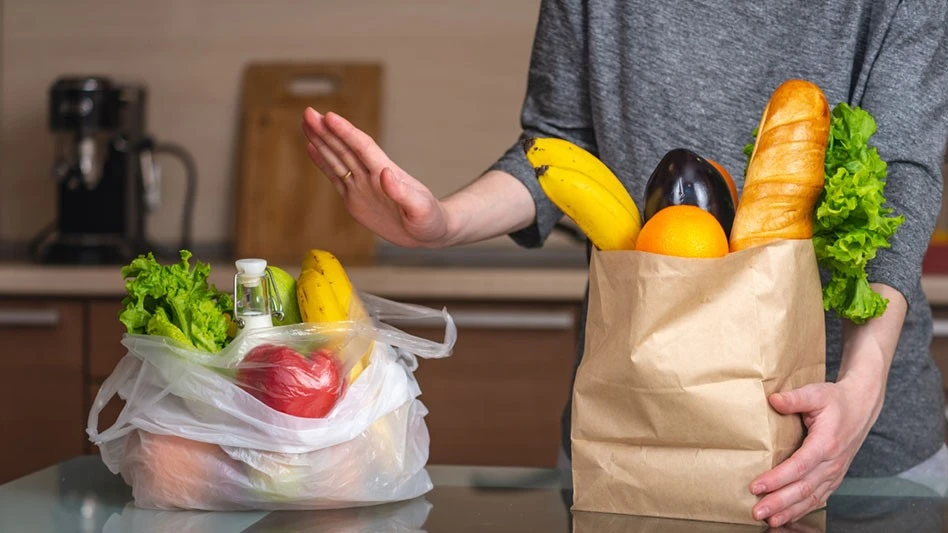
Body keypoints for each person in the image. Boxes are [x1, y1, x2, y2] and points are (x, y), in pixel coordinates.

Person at [301, 0, 948, 527]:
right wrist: (443, 222)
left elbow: (900, 179)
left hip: (850, 442)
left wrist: (863, 386)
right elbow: (558, 149)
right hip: (639, 427)